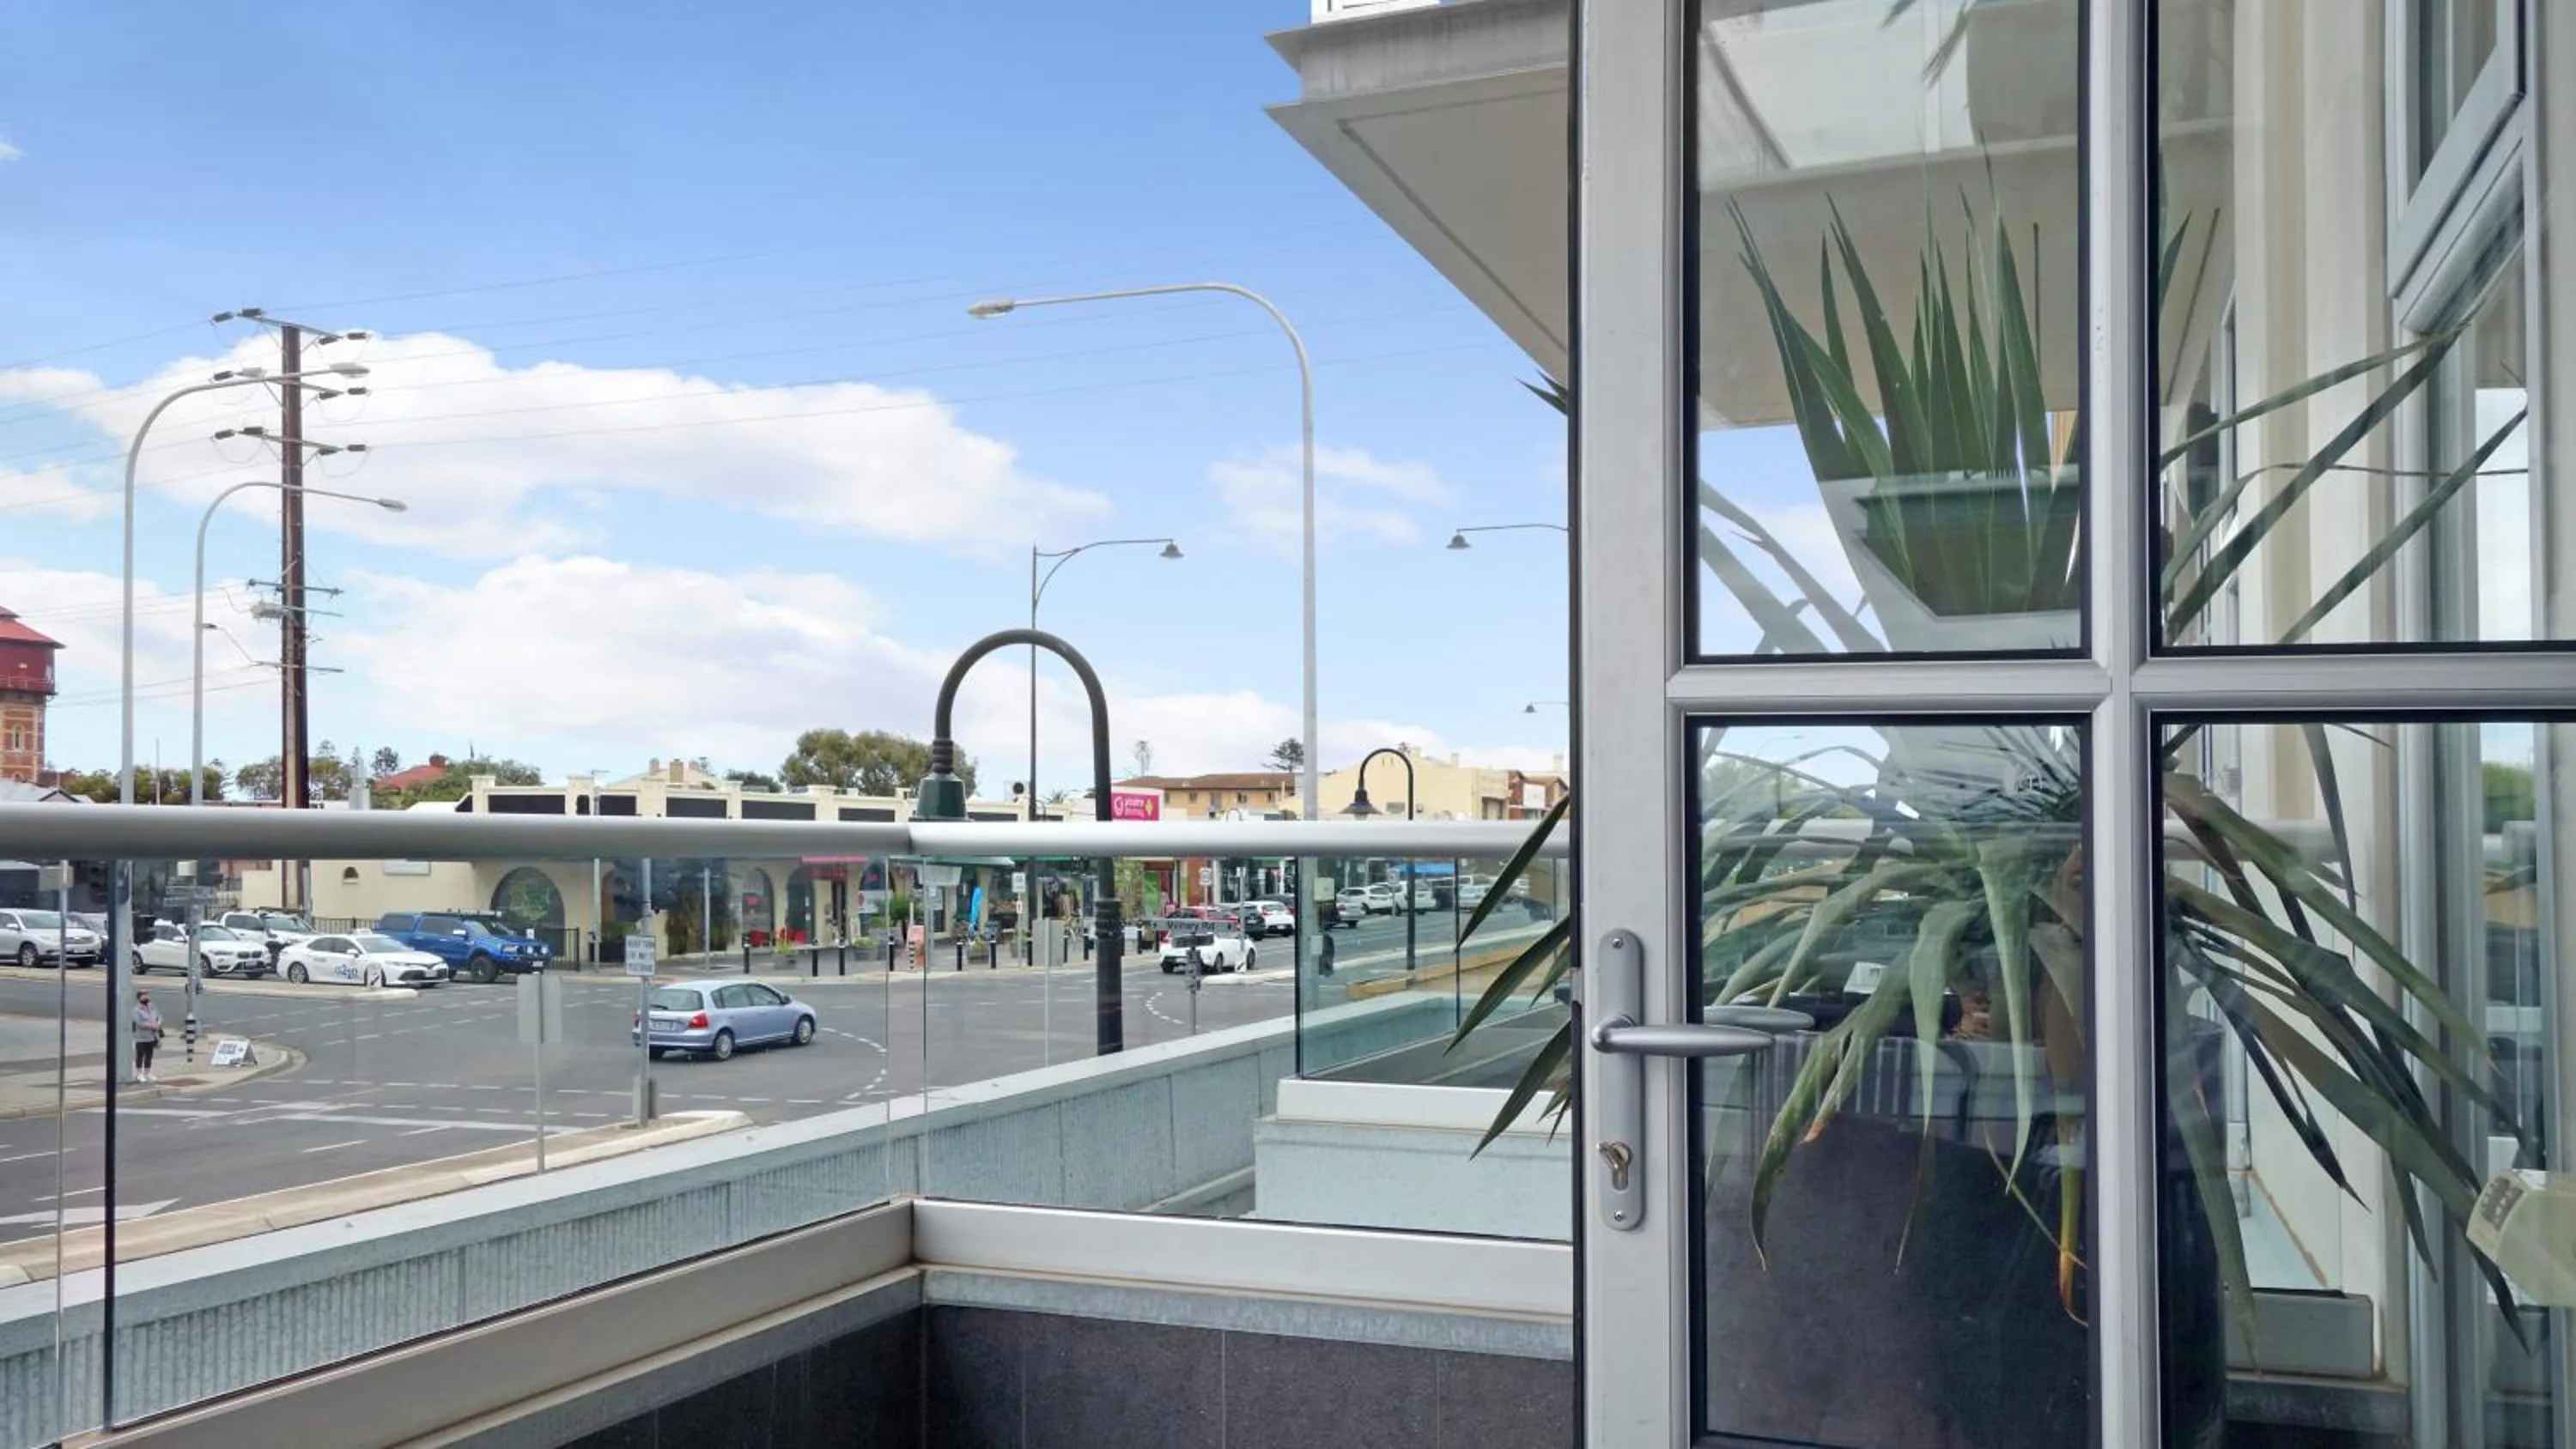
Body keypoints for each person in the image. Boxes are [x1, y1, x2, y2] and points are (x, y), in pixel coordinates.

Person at [132, 990, 164, 1082]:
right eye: (144, 995)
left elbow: (160, 1016)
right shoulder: (137, 1010)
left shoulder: (152, 1007)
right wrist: (153, 1026)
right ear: (139, 998)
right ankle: (139, 1073)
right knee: (140, 1055)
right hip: (141, 1037)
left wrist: (159, 1024)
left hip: (152, 1036)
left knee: (149, 1055)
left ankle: (148, 1072)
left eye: (147, 995)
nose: (146, 997)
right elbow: (139, 1023)